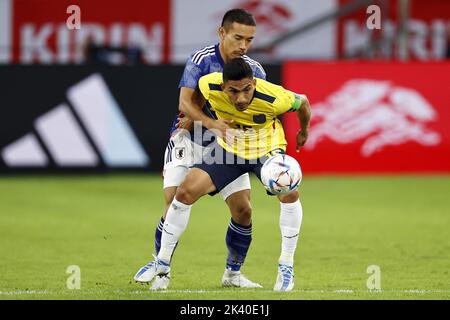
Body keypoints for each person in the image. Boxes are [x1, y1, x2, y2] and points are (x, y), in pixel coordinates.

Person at [140, 58, 311, 292]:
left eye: (247, 90)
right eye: (233, 91)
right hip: (229, 150)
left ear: (254, 83)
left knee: (289, 193)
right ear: (223, 86)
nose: (241, 98)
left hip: (267, 151)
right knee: (185, 191)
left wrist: (304, 130)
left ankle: (286, 265)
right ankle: (163, 263)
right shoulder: (208, 83)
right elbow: (193, 100)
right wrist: (193, 120)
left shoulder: (274, 97)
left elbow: (304, 102)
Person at [134, 9, 266, 290]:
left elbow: (260, 112)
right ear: (222, 33)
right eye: (238, 37)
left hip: (227, 147)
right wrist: (210, 123)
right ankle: (161, 269)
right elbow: (185, 104)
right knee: (174, 202)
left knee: (243, 210)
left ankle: (232, 274)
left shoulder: (255, 71)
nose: (243, 46)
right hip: (189, 141)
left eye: (250, 40)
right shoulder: (201, 60)